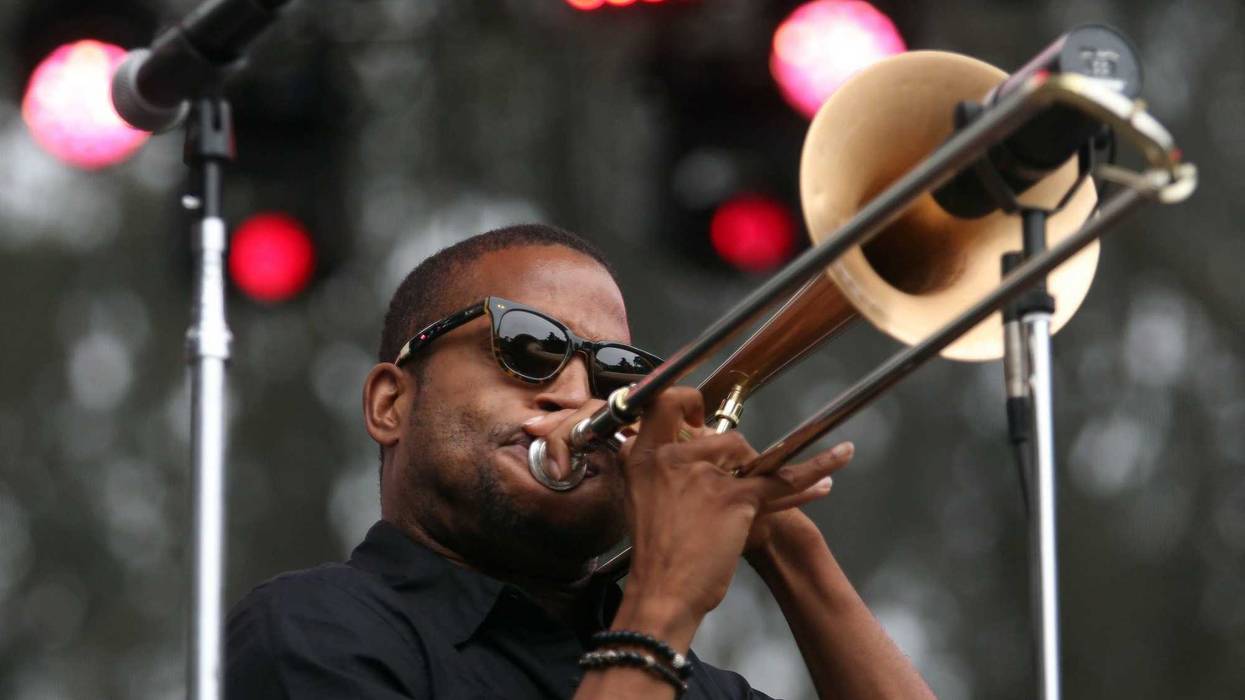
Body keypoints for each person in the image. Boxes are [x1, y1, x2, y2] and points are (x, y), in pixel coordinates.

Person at [225, 224, 936, 699]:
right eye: (528, 347)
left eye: (619, 376)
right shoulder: (315, 630)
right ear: (390, 404)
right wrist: (664, 595)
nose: (576, 393)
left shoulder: (700, 689)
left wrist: (788, 550)